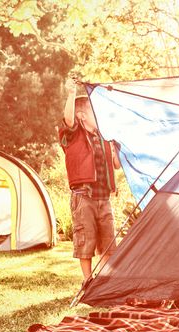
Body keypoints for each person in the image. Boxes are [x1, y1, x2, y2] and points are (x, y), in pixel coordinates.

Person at [60, 83, 121, 283]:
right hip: (83, 196)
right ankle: (88, 280)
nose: (99, 116)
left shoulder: (105, 138)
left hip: (104, 197)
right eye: (94, 112)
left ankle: (104, 280)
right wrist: (71, 93)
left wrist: (115, 149)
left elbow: (117, 165)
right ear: (82, 116)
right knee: (85, 239)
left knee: (108, 241)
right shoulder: (74, 134)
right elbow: (68, 120)